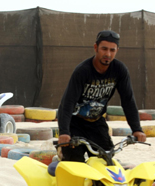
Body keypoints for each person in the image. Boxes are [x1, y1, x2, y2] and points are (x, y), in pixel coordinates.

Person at [57, 30, 146, 162]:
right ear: (95, 48)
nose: (108, 54)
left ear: (117, 50)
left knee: (106, 160)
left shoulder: (120, 70)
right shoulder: (83, 71)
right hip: (74, 123)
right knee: (74, 164)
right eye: (104, 49)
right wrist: (64, 132)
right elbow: (67, 102)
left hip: (96, 123)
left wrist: (137, 129)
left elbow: (128, 100)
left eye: (112, 50)